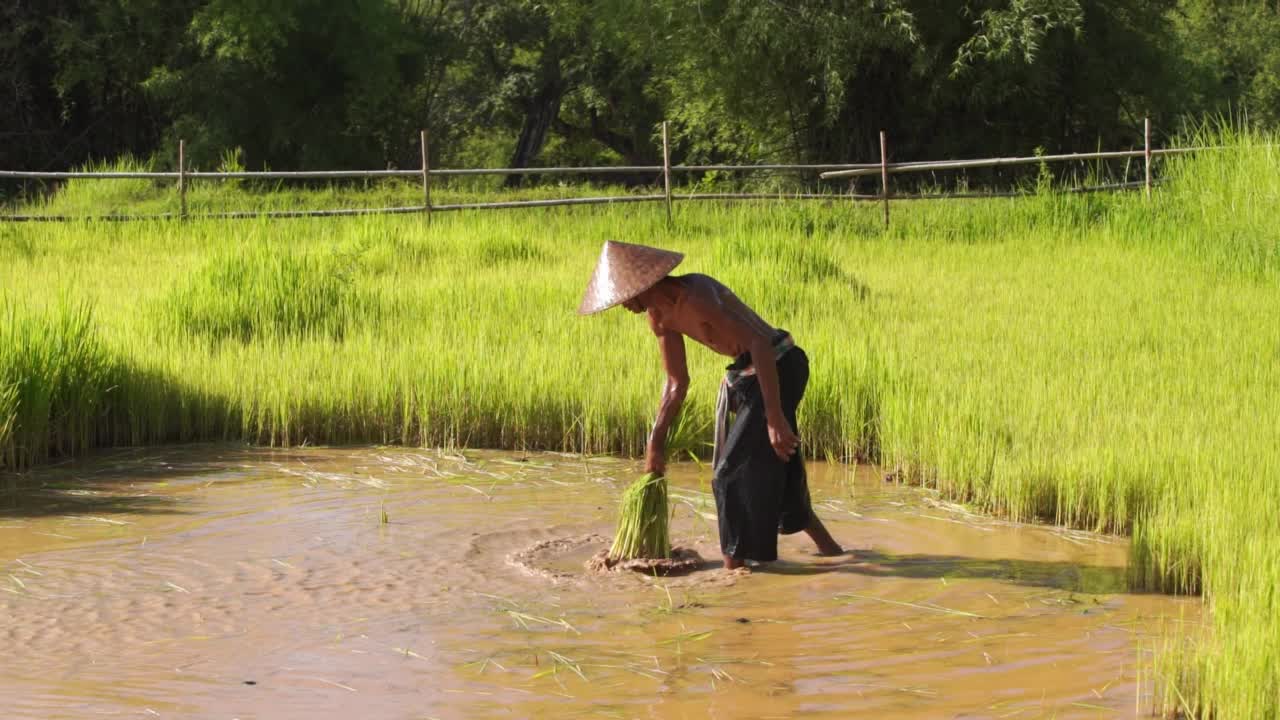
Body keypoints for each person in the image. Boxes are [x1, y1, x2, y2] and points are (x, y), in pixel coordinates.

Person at [578, 240, 843, 569]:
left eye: (624, 296)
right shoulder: (658, 317)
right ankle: (834, 554)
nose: (623, 306)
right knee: (780, 466)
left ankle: (734, 572)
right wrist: (655, 442)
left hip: (778, 366)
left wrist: (774, 417)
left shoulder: (696, 296)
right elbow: (677, 383)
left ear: (642, 285)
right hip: (750, 375)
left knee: (728, 474)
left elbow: (759, 342)